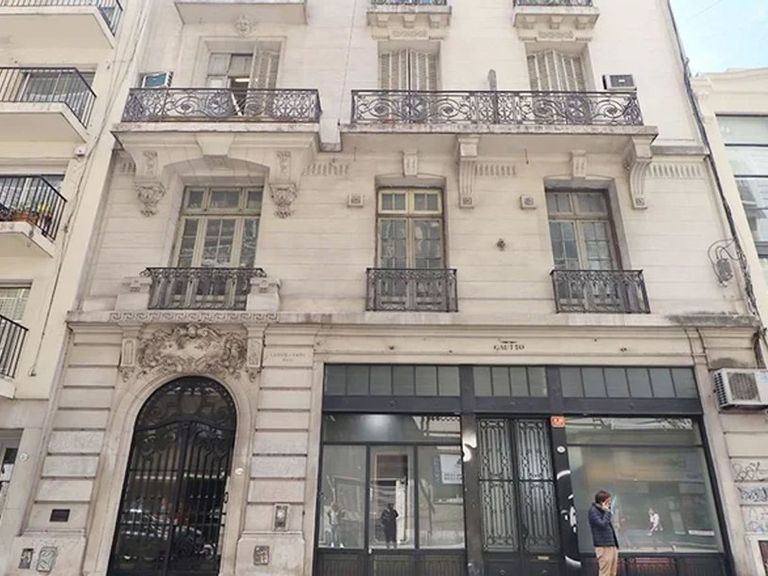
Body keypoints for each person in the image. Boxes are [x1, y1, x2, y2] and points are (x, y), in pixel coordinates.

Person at [588, 490, 619, 576]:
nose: (610, 504)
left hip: (611, 544)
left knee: (612, 572)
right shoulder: (593, 511)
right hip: (603, 545)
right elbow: (602, 524)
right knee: (605, 571)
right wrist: (607, 512)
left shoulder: (603, 511)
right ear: (602, 502)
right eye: (608, 501)